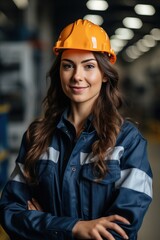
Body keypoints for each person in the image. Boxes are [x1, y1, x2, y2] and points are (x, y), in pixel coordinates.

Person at [0, 19, 153, 240]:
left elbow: (120, 232)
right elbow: (9, 212)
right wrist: (76, 228)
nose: (76, 76)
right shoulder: (37, 136)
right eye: (68, 65)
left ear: (105, 74)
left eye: (89, 66)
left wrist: (45, 225)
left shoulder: (128, 141)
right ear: (59, 71)